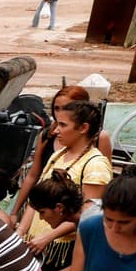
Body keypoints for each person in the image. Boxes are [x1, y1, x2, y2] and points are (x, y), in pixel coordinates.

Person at [15, 100, 111, 250]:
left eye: (63, 125)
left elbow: (87, 216)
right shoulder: (57, 156)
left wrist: (48, 237)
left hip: (61, 246)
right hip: (35, 240)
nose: (56, 130)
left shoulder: (95, 165)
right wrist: (21, 231)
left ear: (83, 128)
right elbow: (37, 201)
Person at [25, 170, 84, 271]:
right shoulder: (81, 222)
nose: (40, 217)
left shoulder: (89, 224)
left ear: (59, 208)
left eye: (42, 212)